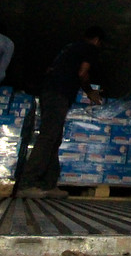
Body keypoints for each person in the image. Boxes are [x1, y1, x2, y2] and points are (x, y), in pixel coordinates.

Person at [16, 26, 105, 199]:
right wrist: (89, 91)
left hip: (49, 91)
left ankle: (48, 184)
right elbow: (82, 73)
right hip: (58, 94)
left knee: (54, 137)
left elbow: (50, 70)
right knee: (49, 136)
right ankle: (27, 183)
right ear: (97, 41)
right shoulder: (90, 49)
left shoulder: (70, 48)